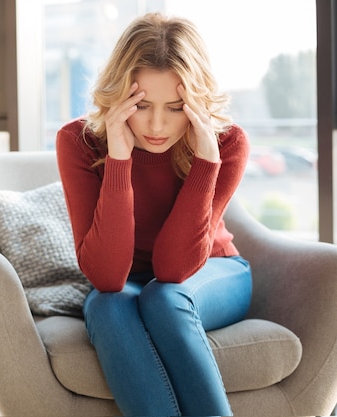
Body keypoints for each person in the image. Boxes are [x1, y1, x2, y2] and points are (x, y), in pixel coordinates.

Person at [55, 12, 252, 416]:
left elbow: (174, 269)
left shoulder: (226, 143)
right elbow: (108, 277)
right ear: (119, 95)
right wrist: (119, 157)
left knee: (164, 297)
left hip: (213, 271)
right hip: (127, 282)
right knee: (105, 305)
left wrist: (205, 163)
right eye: (141, 105)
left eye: (176, 108)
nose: (157, 125)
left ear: (196, 104)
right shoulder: (78, 142)